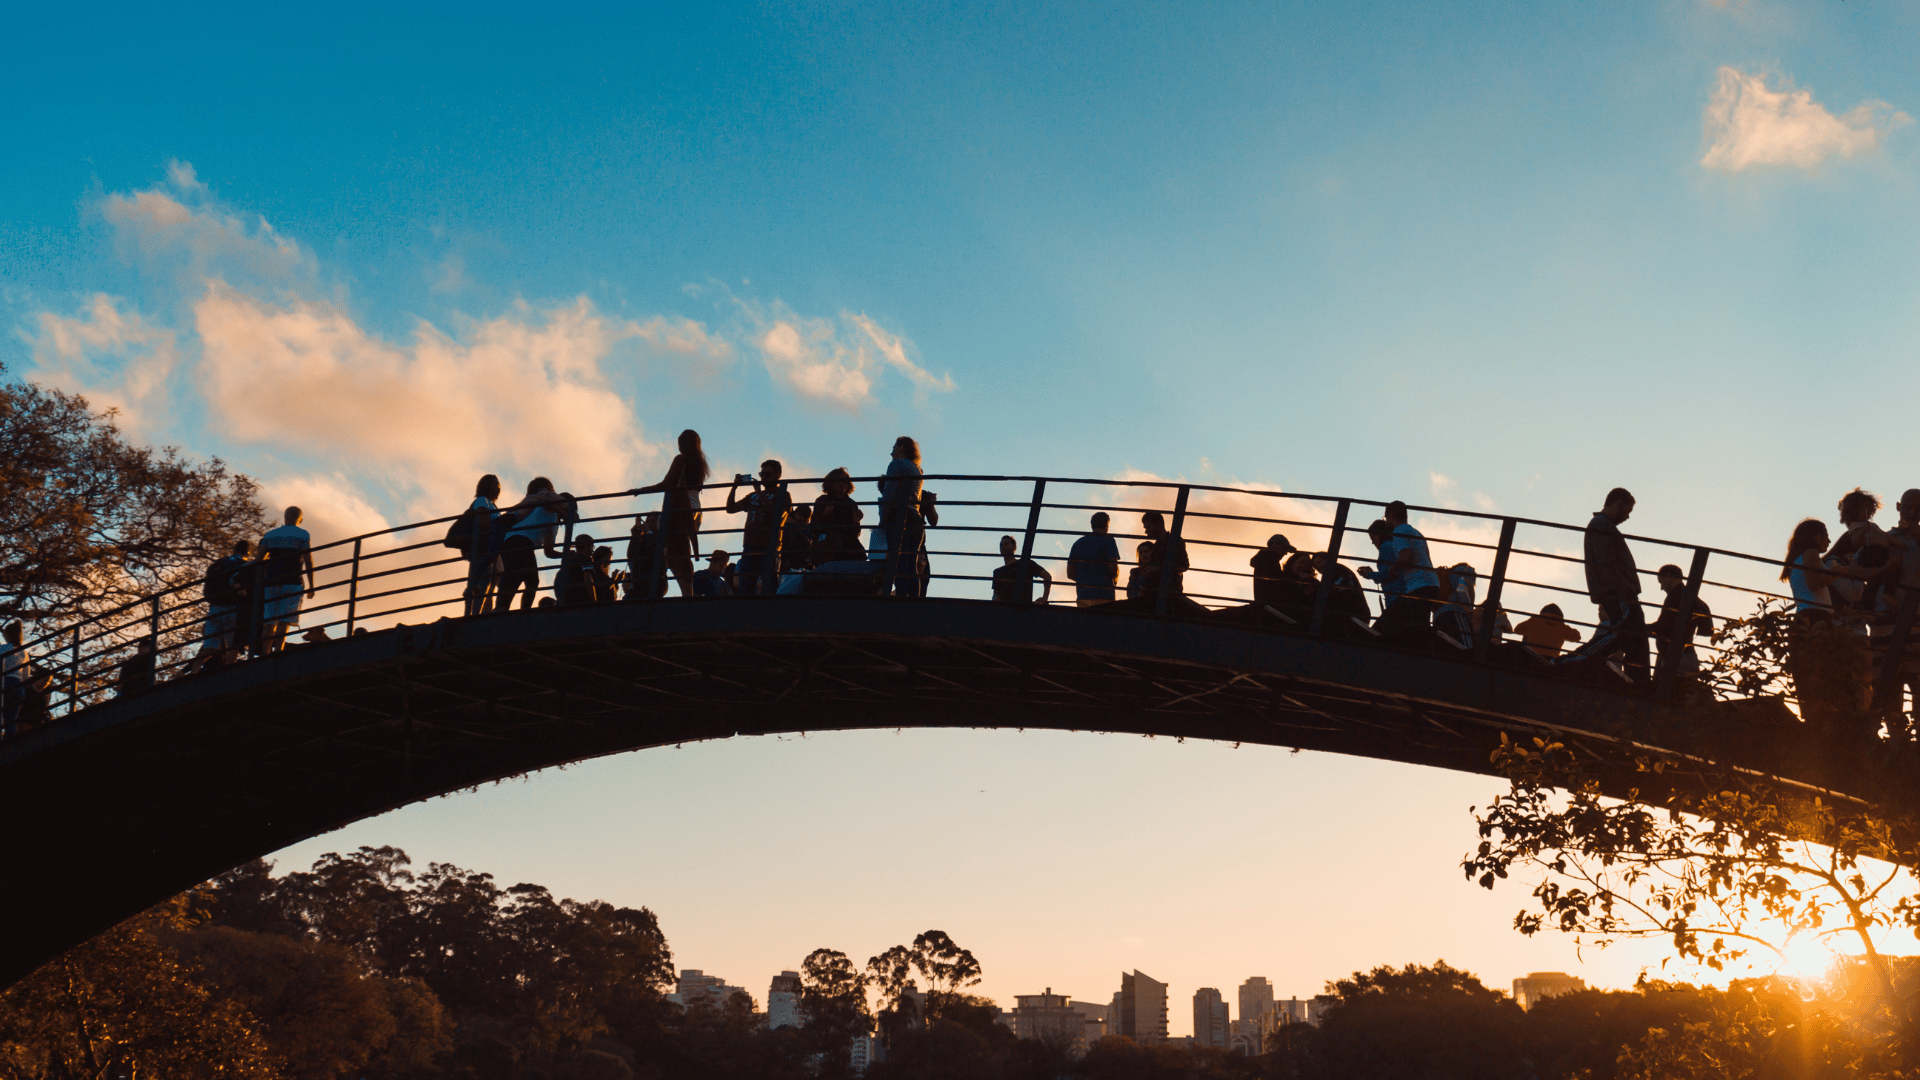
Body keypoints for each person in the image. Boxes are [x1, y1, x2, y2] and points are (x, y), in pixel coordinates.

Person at [629, 429, 710, 597]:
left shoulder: (681, 460)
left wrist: (641, 490)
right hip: (695, 508)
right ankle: (687, 593)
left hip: (679, 508)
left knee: (673, 551)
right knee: (680, 550)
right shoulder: (700, 464)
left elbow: (667, 483)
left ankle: (682, 593)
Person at [1584, 487, 1647, 681]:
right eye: (1627, 511)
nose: (1627, 517)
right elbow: (1606, 562)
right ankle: (1577, 659)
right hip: (1619, 593)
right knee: (1623, 634)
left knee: (1636, 638)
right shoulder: (1601, 525)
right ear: (1618, 504)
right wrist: (1622, 589)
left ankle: (1639, 681)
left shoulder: (1602, 525)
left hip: (1620, 592)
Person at [495, 478, 572, 612]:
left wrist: (566, 554)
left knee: (517, 577)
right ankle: (520, 611)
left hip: (510, 540)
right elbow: (548, 503)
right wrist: (567, 513)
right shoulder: (551, 509)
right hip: (522, 541)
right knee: (528, 580)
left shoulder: (549, 514)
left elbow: (548, 551)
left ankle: (503, 608)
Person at [725, 459, 792, 596]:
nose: (763, 478)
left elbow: (778, 516)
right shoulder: (753, 496)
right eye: (761, 474)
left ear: (777, 475)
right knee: (745, 586)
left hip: (769, 546)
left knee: (769, 586)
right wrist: (734, 487)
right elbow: (730, 509)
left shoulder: (783, 494)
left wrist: (759, 492)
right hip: (749, 546)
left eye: (767, 474)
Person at [186, 540, 251, 674]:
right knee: (232, 645)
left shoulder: (218, 564)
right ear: (248, 552)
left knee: (209, 645)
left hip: (214, 608)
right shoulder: (245, 564)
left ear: (234, 548)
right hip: (233, 608)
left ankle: (194, 672)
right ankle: (228, 672)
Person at [257, 506, 315, 655]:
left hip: (272, 582)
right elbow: (308, 560)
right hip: (293, 581)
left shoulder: (270, 535)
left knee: (269, 621)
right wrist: (311, 585)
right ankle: (278, 651)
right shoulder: (302, 535)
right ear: (300, 519)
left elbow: (259, 560)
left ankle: (265, 653)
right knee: (284, 620)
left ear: (285, 516)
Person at [878, 437, 925, 598]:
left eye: (894, 447)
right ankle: (913, 600)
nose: (891, 451)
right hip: (916, 518)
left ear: (901, 447)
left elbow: (889, 494)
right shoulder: (917, 468)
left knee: (899, 561)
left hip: (899, 517)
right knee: (911, 564)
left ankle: (901, 598)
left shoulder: (896, 465)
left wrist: (882, 519)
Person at [1650, 563, 1713, 679]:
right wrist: (1704, 629)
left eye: (1661, 582)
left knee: (1677, 691)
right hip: (1682, 655)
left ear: (1669, 576)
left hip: (1678, 658)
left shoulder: (1677, 597)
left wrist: (1640, 628)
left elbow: (1664, 625)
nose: (1661, 587)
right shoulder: (1684, 595)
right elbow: (1704, 608)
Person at [461, 474, 503, 617]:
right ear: (489, 487)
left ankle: (483, 614)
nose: (499, 489)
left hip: (493, 548)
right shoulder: (482, 501)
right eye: (497, 486)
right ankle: (473, 616)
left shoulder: (493, 505)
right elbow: (483, 522)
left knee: (489, 583)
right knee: (480, 583)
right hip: (483, 547)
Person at [811, 468, 865, 565]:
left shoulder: (851, 504)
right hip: (827, 542)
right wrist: (825, 514)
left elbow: (855, 533)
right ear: (831, 483)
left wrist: (855, 522)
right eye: (837, 480)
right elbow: (813, 527)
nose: (841, 483)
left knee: (861, 555)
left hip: (846, 543)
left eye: (844, 481)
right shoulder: (822, 500)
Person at [1067, 513, 1121, 607]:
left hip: (1083, 596)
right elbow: (1113, 569)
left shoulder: (1078, 543)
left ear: (1091, 525)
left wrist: (1085, 580)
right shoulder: (1109, 540)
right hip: (1105, 595)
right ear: (1107, 525)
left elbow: (1070, 573)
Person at [1140, 511, 1189, 600]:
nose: (1146, 531)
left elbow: (1184, 565)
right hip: (1157, 594)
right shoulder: (1156, 547)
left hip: (1170, 595)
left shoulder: (1174, 541)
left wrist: (1157, 569)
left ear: (1158, 525)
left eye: (1148, 527)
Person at [991, 535, 1053, 606]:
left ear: (1014, 547)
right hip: (1006, 610)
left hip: (1022, 609)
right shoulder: (997, 572)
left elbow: (1047, 576)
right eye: (1001, 545)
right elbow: (996, 595)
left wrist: (1045, 598)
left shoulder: (1026, 564)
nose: (1003, 546)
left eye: (1006, 544)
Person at [1515, 604, 1582, 659]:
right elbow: (1577, 637)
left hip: (1531, 656)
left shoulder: (1534, 620)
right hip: (1550, 659)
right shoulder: (1563, 627)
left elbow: (1517, 630)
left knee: (1526, 632)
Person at [626, 514, 668, 600]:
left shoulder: (662, 540)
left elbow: (653, 551)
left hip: (655, 584)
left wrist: (649, 533)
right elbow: (631, 557)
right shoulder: (644, 539)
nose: (648, 524)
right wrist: (634, 537)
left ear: (659, 524)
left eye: (652, 521)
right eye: (647, 521)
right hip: (639, 584)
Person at [1249, 535, 1296, 606]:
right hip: (1268, 603)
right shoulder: (1269, 557)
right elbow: (1278, 578)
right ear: (1275, 545)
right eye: (1285, 548)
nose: (1285, 553)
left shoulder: (1266, 557)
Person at [555, 534, 597, 605]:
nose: (593, 549)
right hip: (581, 599)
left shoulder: (568, 560)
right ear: (587, 546)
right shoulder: (586, 560)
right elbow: (587, 579)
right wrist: (594, 600)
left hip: (567, 600)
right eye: (592, 546)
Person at [782, 504, 813, 572]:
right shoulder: (787, 526)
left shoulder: (805, 531)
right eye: (795, 519)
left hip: (794, 562)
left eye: (799, 521)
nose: (796, 522)